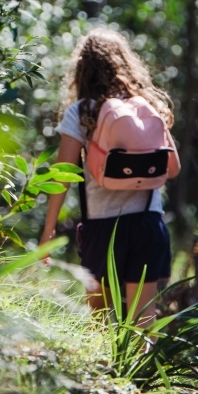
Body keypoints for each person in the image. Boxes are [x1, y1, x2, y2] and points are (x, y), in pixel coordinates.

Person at [39, 27, 180, 328]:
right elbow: (174, 168)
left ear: (83, 69)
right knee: (144, 322)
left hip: (102, 231)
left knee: (100, 323)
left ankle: (106, 375)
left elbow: (62, 176)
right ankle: (138, 375)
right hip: (148, 224)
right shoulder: (148, 107)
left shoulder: (82, 112)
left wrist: (49, 231)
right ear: (126, 64)